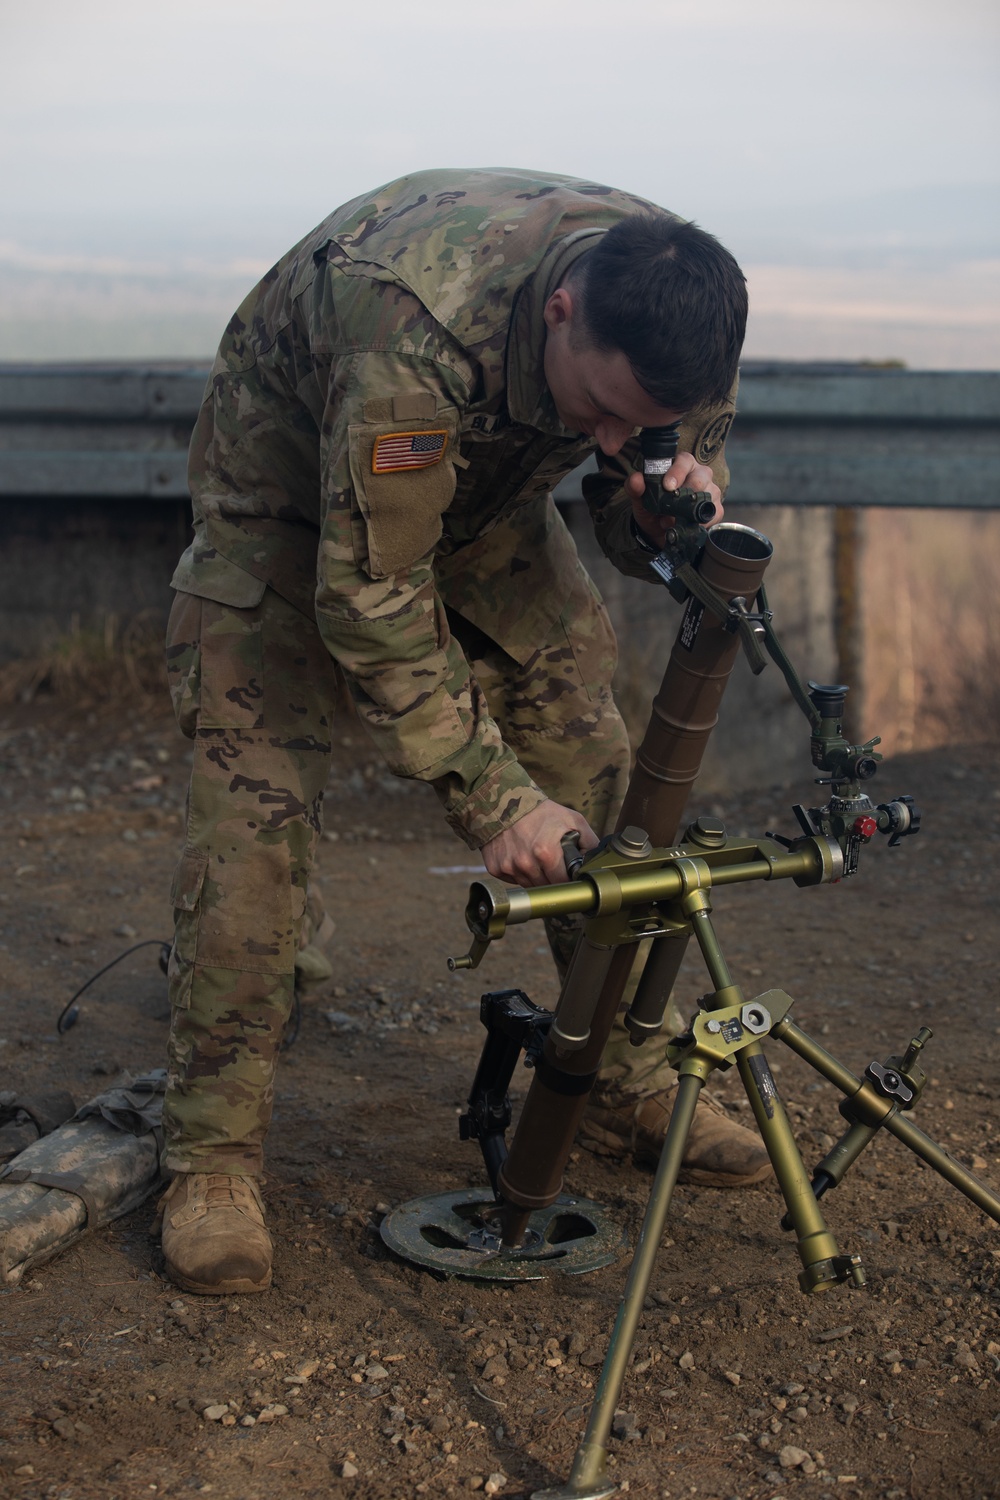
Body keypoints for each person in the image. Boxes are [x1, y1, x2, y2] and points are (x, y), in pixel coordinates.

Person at [157, 168, 770, 1296]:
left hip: (483, 516)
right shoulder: (413, 321)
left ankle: (624, 1072)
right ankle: (208, 1157)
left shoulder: (680, 322)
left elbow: (653, 514)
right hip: (289, 522)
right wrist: (496, 800)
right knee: (254, 835)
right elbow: (373, 599)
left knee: (597, 771)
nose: (618, 433)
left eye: (646, 419)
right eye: (601, 411)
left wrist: (660, 508)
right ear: (558, 311)